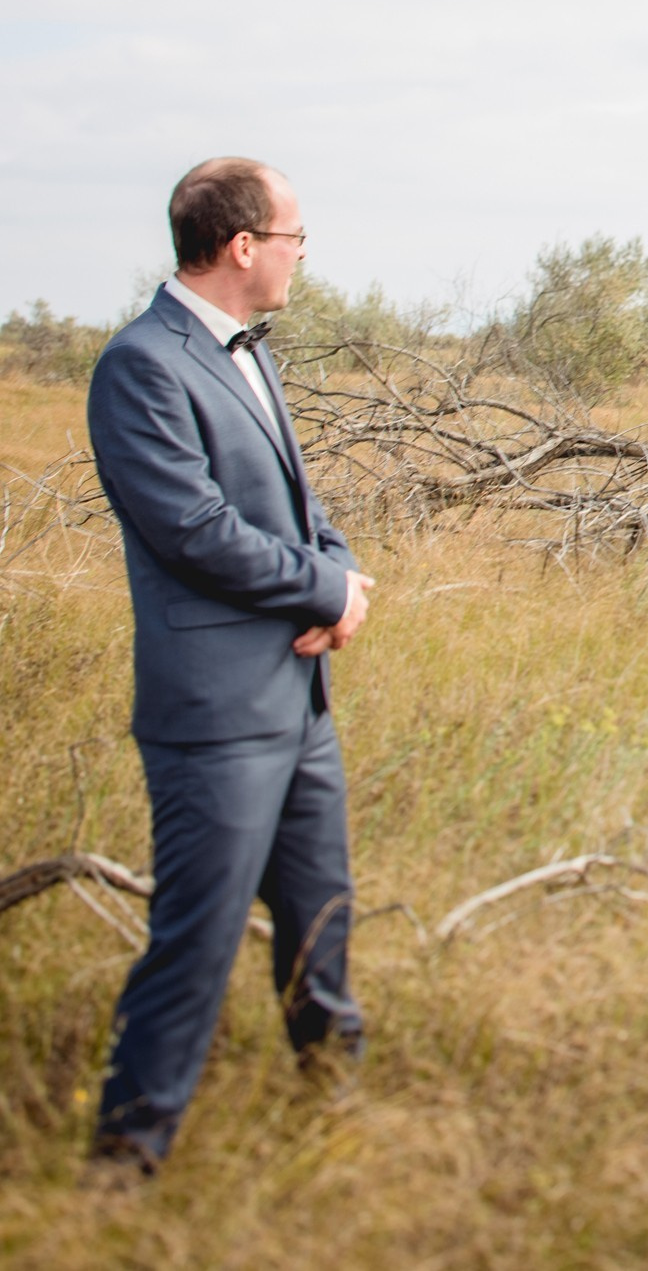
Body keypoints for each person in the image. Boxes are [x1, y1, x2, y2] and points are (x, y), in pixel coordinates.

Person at [84, 158, 375, 1179]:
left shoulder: (251, 354)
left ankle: (334, 1102)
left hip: (298, 703)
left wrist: (337, 579)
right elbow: (192, 532)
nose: (301, 257)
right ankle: (124, 1158)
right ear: (243, 245)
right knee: (196, 941)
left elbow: (299, 511)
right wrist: (322, 593)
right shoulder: (141, 364)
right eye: (295, 238)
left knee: (320, 919)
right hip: (213, 713)